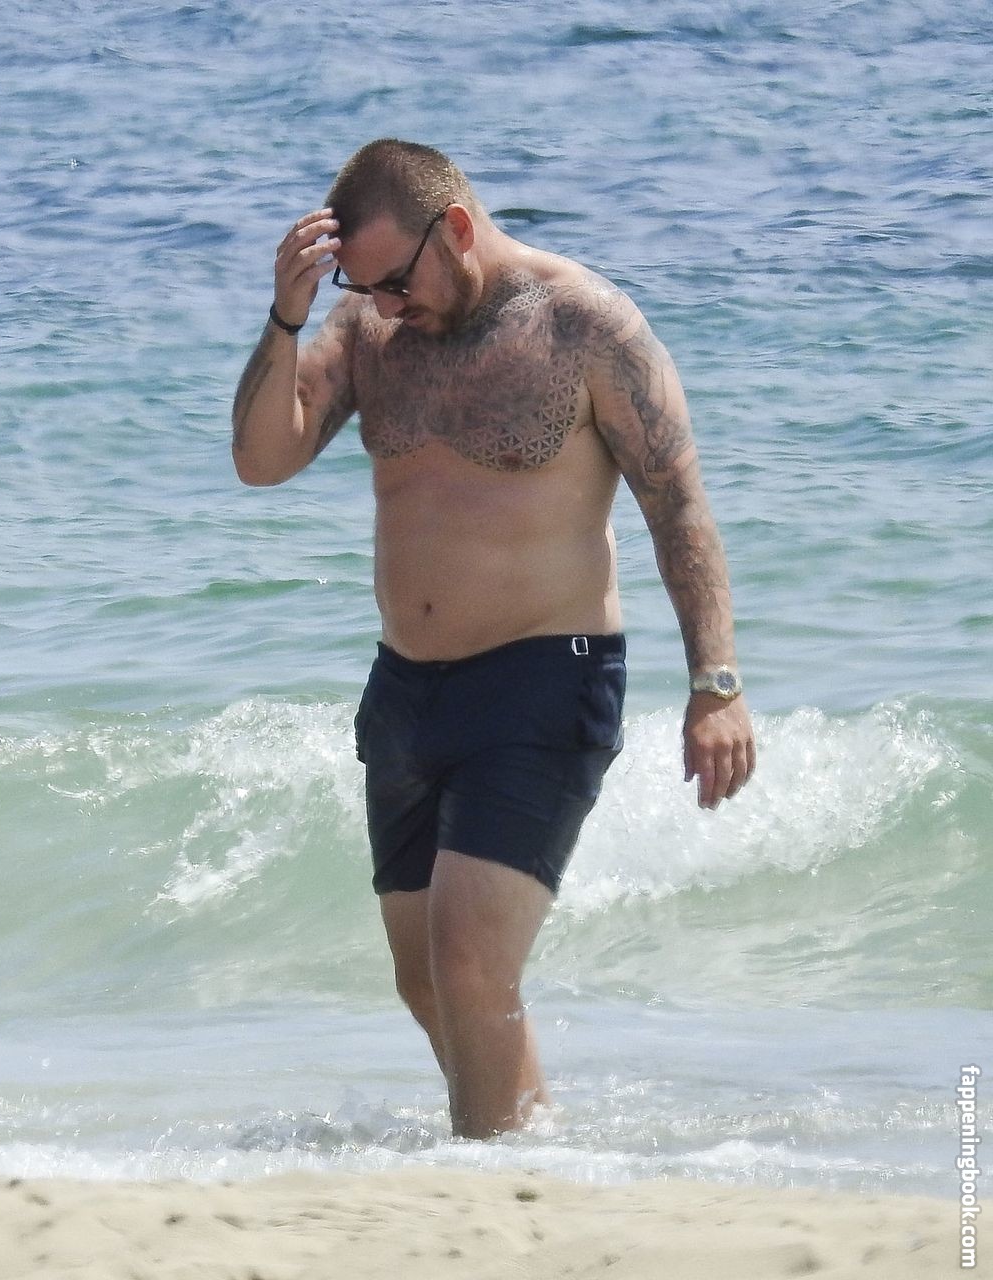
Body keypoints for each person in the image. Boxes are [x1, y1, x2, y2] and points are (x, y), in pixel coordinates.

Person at [230, 139, 755, 1139]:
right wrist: (288, 317)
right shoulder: (369, 329)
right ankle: (528, 1140)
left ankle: (490, 1176)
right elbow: (262, 459)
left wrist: (716, 682)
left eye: (394, 281)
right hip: (406, 690)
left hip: (546, 676)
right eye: (359, 286)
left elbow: (678, 506)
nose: (384, 305)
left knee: (470, 962)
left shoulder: (587, 325)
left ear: (457, 230)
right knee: (426, 977)